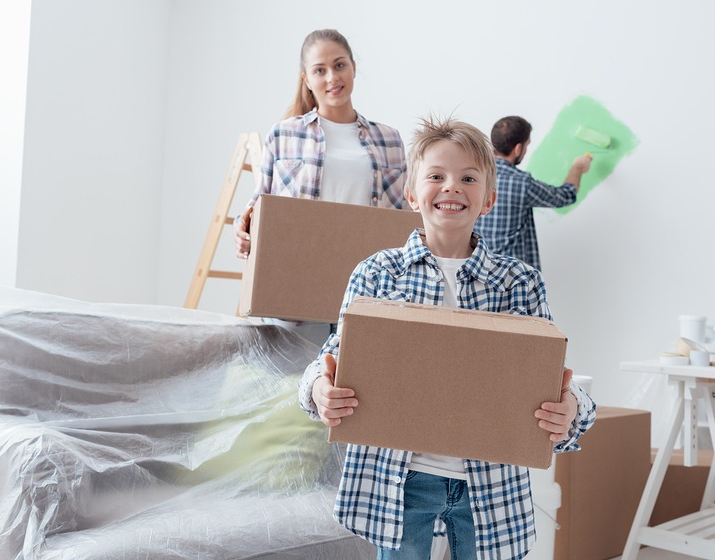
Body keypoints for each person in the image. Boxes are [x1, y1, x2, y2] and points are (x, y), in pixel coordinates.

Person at [298, 116, 596, 559]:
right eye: (436, 176)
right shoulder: (378, 273)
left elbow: (553, 381)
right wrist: (318, 389)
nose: (452, 187)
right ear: (413, 194)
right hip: (400, 481)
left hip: (490, 486)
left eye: (468, 178)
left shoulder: (519, 283)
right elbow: (330, 358)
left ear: (489, 198)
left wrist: (572, 409)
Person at [234, 28, 407, 260]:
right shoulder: (283, 134)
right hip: (300, 263)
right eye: (319, 70)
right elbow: (259, 204)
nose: (332, 78)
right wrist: (241, 228)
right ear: (306, 79)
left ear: (353, 67)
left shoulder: (389, 139)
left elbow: (404, 215)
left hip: (368, 270)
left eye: (339, 65)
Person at [474, 115, 592, 272]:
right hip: (511, 278)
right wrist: (577, 167)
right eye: (526, 145)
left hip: (477, 272)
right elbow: (565, 196)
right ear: (517, 149)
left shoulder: (473, 178)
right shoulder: (522, 183)